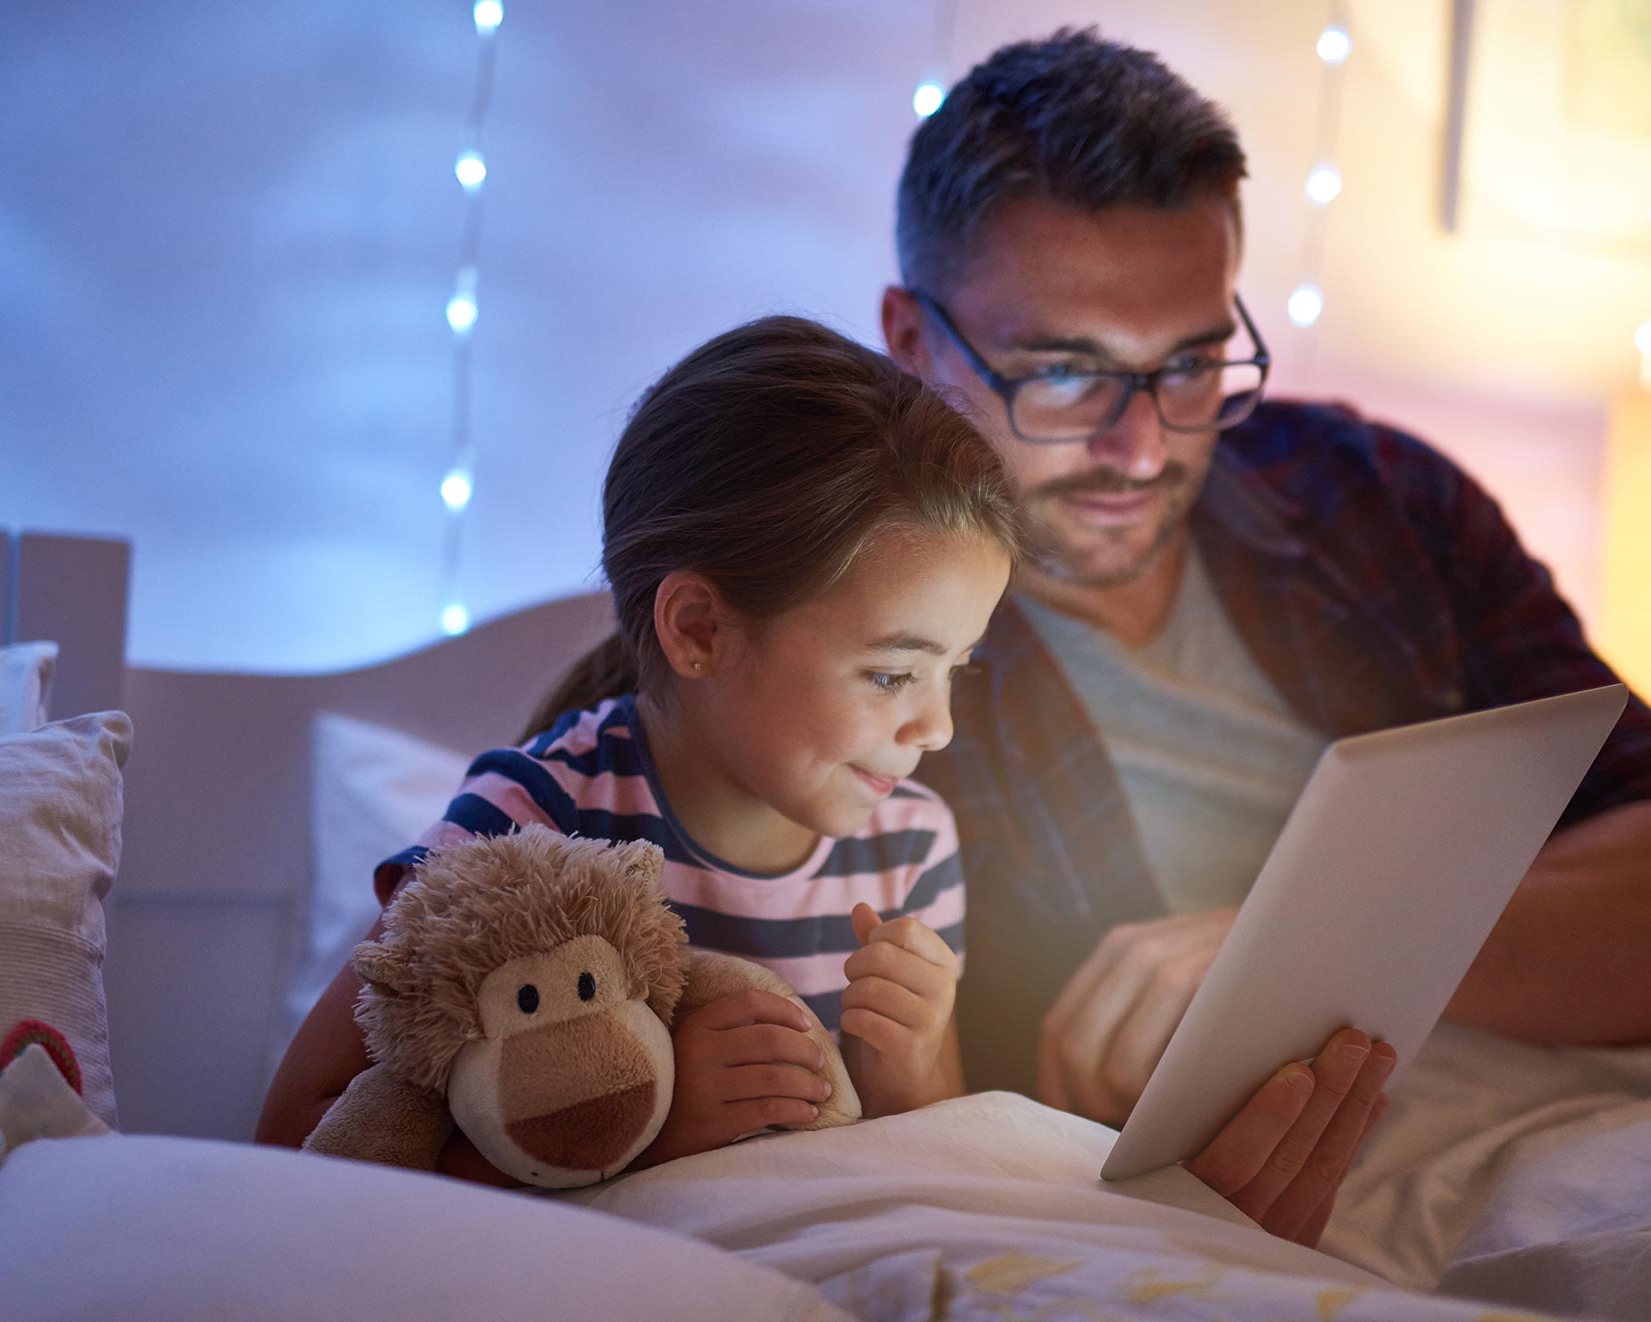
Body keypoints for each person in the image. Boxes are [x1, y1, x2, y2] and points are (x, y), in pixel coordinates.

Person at [259, 315, 1394, 1247]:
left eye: (955, 669)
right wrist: (660, 1125)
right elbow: (295, 1138)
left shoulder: (908, 843)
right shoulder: (530, 826)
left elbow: (924, 1157)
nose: (936, 726)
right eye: (893, 671)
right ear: (700, 629)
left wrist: (911, 1068)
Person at [878, 28, 1651, 1125]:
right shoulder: (840, 636)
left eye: (1192, 363)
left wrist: (1317, 953)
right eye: (1063, 373)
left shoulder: (1377, 494)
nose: (1143, 448)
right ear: (911, 339)